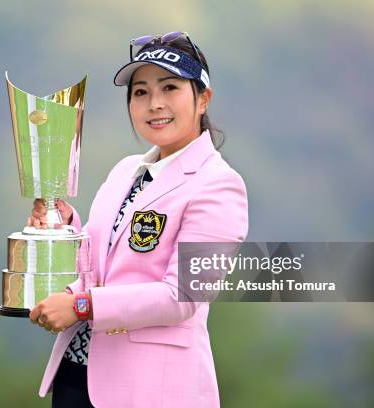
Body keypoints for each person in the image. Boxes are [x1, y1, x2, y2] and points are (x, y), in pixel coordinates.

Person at [28, 32, 249, 408]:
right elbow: (99, 263)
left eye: (170, 87)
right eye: (141, 92)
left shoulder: (219, 185)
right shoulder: (127, 170)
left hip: (151, 393)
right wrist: (64, 225)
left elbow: (182, 296)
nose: (154, 104)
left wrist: (83, 307)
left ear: (203, 99)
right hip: (78, 376)